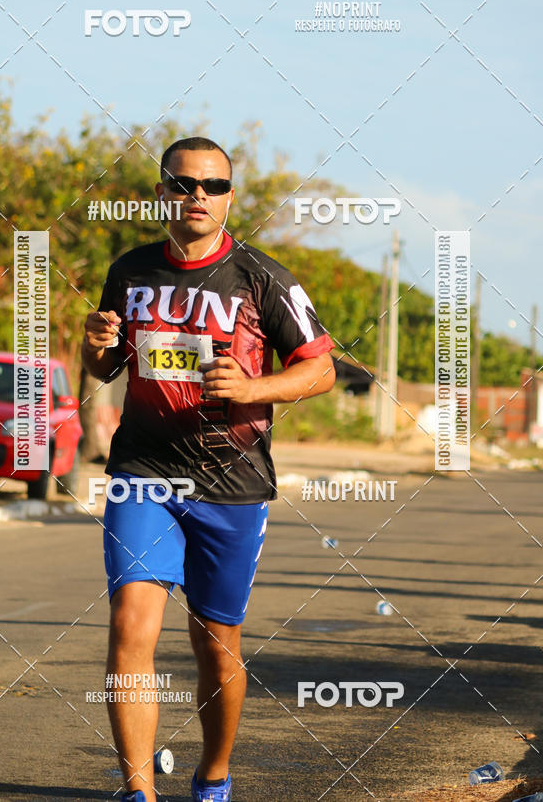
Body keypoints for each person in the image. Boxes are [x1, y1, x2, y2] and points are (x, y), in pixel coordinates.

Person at [82, 136, 335, 802]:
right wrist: (94, 349)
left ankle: (214, 777)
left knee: (216, 645)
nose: (198, 196)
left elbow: (320, 368)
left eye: (213, 186)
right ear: (162, 190)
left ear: (230, 196)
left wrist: (254, 389)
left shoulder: (261, 277)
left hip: (232, 480)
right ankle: (138, 793)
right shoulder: (131, 270)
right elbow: (108, 366)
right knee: (130, 625)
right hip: (144, 468)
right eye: (183, 183)